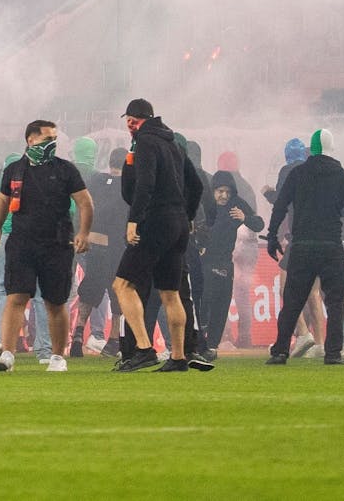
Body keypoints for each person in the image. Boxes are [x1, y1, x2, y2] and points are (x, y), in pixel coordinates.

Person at [0, 120, 93, 374]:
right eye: (47, 139)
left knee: (55, 302)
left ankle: (57, 357)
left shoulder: (66, 170)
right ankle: (8, 353)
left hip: (57, 244)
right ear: (30, 140)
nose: (52, 144)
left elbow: (85, 202)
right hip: (21, 242)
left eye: (54, 139)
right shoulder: (14, 170)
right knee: (16, 297)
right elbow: (1, 201)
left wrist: (84, 233)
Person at [112, 99, 198, 373]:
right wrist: (188, 216)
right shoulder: (173, 143)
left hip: (155, 221)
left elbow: (145, 183)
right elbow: (195, 184)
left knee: (122, 285)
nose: (128, 125)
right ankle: (178, 356)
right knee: (170, 293)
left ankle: (144, 349)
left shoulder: (145, 142)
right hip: (178, 222)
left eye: (130, 120)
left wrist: (134, 219)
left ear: (134, 120)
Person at [265, 129, 344, 365]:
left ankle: (280, 351)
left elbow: (280, 205)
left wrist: (271, 236)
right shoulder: (341, 176)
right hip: (331, 245)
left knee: (292, 302)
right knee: (336, 302)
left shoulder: (298, 173)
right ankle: (332, 353)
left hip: (302, 246)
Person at [199, 170, 263, 353]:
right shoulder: (204, 204)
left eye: (227, 192)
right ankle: (197, 343)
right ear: (213, 191)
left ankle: (212, 346)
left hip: (225, 263)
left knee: (222, 304)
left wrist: (245, 218)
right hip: (204, 262)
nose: (224, 195)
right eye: (220, 191)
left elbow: (258, 224)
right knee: (203, 304)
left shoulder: (236, 204)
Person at [71, 139, 124, 358]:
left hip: (92, 244)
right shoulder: (128, 186)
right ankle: (113, 341)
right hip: (116, 247)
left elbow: (82, 207)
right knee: (118, 292)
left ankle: (77, 335)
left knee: (89, 288)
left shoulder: (95, 180)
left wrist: (79, 234)